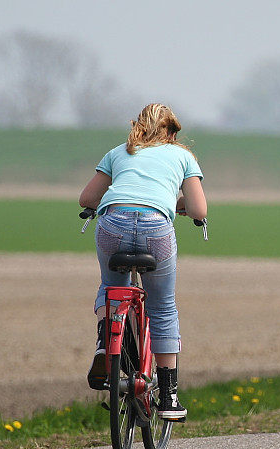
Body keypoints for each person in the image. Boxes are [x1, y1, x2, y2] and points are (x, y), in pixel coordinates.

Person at [79, 103, 207, 420]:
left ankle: (105, 341)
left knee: (111, 287)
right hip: (155, 230)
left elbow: (87, 200)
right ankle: (168, 397)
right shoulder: (183, 157)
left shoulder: (118, 152)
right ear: (172, 132)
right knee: (162, 307)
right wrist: (178, 204)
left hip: (112, 224)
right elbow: (199, 210)